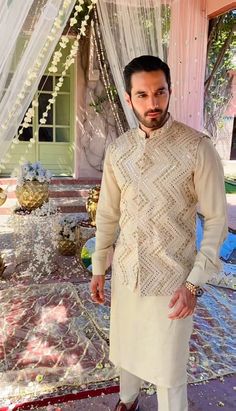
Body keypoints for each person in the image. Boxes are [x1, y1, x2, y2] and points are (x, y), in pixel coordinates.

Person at [90, 55, 228, 411]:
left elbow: (216, 221)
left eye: (160, 92)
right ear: (128, 97)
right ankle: (128, 400)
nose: (153, 103)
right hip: (127, 272)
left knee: (169, 372)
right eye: (142, 95)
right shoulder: (118, 151)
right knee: (127, 348)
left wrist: (194, 283)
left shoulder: (197, 147)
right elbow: (108, 212)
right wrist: (99, 267)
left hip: (174, 281)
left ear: (170, 91)